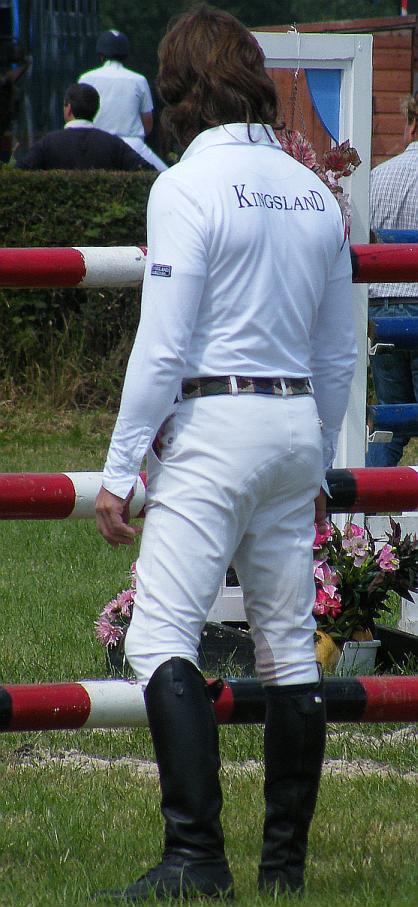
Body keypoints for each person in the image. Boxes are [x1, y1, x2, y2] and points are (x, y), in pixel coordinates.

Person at [95, 5, 357, 902]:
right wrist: (317, 459)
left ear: (176, 92)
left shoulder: (186, 189)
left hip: (217, 425)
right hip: (293, 425)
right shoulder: (313, 191)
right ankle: (284, 867)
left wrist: (122, 467)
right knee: (287, 648)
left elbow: (162, 348)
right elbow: (337, 353)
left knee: (160, 634)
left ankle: (194, 857)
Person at [366, 91, 418, 467]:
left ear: (412, 124)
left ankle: (359, 517)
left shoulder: (375, 178)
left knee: (390, 420)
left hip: (379, 308)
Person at [78, 29, 168, 172]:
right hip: (133, 145)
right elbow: (148, 123)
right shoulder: (139, 80)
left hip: (94, 144)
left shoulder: (86, 78)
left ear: (100, 55)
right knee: (165, 175)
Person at [16, 83, 154, 171]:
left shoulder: (49, 143)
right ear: (96, 109)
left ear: (68, 108)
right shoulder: (113, 143)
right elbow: (146, 170)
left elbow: (19, 172)